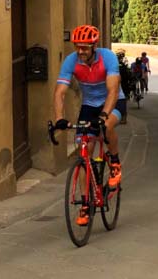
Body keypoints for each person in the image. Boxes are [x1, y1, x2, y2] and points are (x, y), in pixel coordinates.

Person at [53, 25, 124, 226]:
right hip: (89, 105)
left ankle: (115, 163)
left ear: (94, 46)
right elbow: (59, 92)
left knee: (107, 126)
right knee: (84, 151)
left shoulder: (107, 57)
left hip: (113, 101)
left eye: (84, 48)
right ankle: (86, 203)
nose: (80, 51)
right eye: (78, 47)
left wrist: (103, 115)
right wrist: (59, 118)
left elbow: (112, 90)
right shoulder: (71, 61)